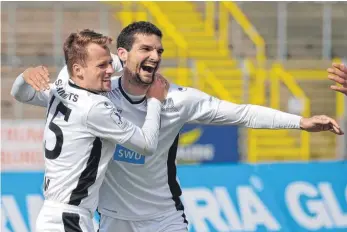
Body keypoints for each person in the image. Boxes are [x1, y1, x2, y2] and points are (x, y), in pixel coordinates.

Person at [12, 22, 344, 232]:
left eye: (159, 50)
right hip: (113, 219)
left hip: (162, 218)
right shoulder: (100, 98)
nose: (155, 56)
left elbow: (241, 113)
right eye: (146, 49)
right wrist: (27, 75)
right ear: (123, 56)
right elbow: (140, 139)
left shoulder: (180, 100)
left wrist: (299, 122)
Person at [11, 29, 168, 232]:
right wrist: (155, 100)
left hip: (56, 215)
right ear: (78, 70)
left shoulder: (62, 84)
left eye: (110, 63)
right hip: (69, 219)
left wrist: (25, 76)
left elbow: (20, 93)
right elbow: (147, 144)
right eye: (102, 66)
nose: (110, 70)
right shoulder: (94, 108)